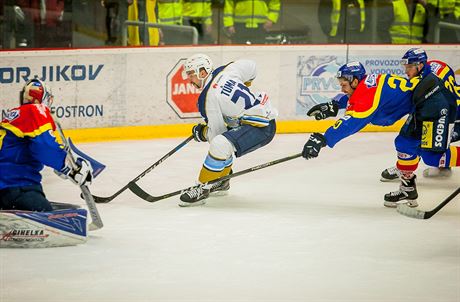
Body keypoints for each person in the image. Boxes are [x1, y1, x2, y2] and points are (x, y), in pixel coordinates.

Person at [301, 62, 420, 201]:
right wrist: (335, 104)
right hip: (418, 105)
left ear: (355, 81)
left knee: (414, 147)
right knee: (410, 144)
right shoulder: (366, 84)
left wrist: (324, 138)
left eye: (344, 85)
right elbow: (356, 96)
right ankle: (413, 170)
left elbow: (351, 123)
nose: (342, 89)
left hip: (425, 107)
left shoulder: (367, 94)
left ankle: (413, 180)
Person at [180, 54, 278, 206]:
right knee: (224, 142)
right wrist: (245, 85)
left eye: (191, 75)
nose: (189, 80)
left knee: (220, 144)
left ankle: (202, 187)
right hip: (265, 114)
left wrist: (203, 133)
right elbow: (251, 66)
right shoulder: (226, 70)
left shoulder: (207, 99)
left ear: (203, 72)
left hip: (261, 129)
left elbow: (216, 134)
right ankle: (222, 181)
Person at [0, 79, 94, 212]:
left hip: (5, 188)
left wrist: (60, 166)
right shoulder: (36, 111)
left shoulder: (15, 115)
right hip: (18, 187)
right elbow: (44, 147)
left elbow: (30, 149)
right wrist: (68, 168)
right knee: (57, 224)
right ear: (45, 97)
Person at [382, 50, 458, 208]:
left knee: (432, 157)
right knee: (405, 142)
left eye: (409, 67)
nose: (406, 71)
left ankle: (441, 163)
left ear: (420, 65)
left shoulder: (431, 84)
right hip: (432, 111)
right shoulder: (425, 76)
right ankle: (406, 184)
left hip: (448, 116)